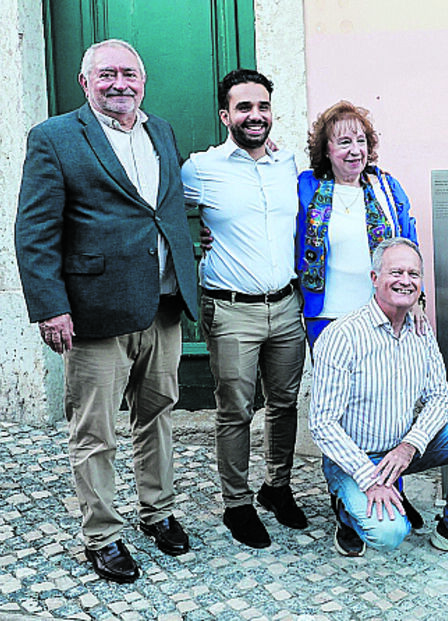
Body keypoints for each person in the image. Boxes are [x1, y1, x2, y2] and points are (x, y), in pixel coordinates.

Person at [14, 39, 198, 583]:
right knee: (95, 430)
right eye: (108, 74)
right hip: (94, 309)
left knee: (158, 413)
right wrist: (51, 307)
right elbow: (35, 230)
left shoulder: (159, 130)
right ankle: (102, 534)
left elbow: (160, 209)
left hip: (162, 302)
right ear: (85, 81)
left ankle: (157, 510)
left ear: (143, 80)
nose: (120, 83)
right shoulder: (54, 137)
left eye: (130, 74)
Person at [310, 237, 448, 565]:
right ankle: (346, 508)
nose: (405, 280)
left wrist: (410, 445)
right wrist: (370, 479)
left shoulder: (420, 330)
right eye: (395, 272)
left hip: (402, 450)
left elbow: (441, 397)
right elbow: (322, 424)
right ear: (374, 279)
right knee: (388, 535)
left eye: (413, 274)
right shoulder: (342, 336)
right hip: (355, 458)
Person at [182, 69, 306, 549]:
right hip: (232, 310)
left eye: (262, 107)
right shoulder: (201, 169)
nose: (255, 116)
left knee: (284, 403)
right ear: (225, 115)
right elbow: (158, 211)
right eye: (244, 108)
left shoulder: (288, 164)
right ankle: (237, 504)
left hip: (286, 305)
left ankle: (277, 487)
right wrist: (194, 241)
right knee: (234, 411)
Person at [296, 100, 421, 347]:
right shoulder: (305, 187)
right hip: (325, 318)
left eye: (361, 141)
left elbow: (409, 246)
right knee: (333, 385)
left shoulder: (386, 188)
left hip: (381, 313)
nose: (355, 150)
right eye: (345, 142)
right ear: (327, 149)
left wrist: (417, 300)